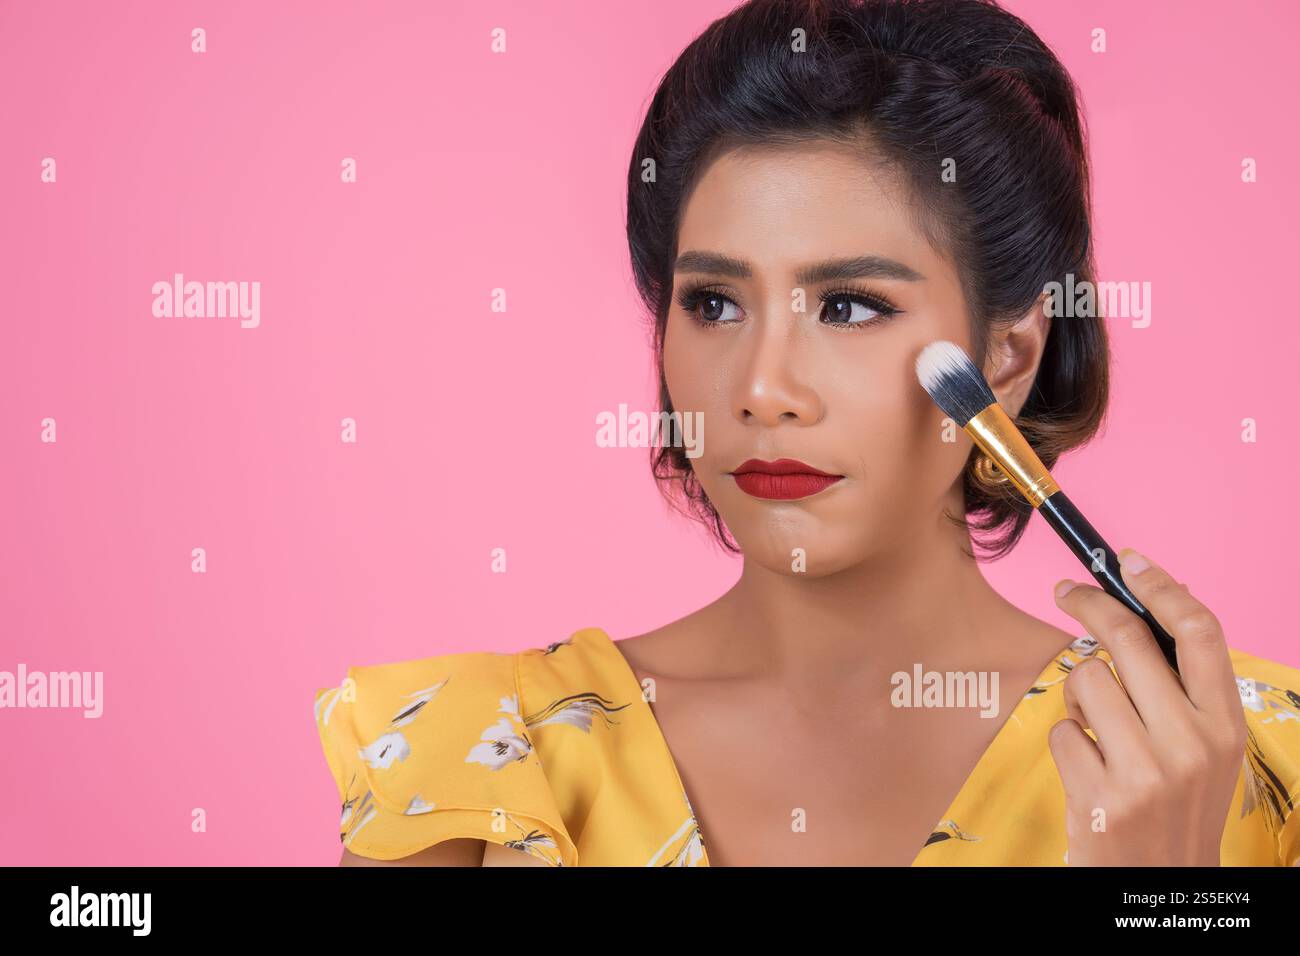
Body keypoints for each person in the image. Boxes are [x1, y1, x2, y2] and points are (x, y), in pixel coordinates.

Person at [313, 0, 1300, 867]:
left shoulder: (1247, 761)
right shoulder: (485, 755)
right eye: (712, 302)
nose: (762, 387)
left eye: (847, 306)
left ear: (1002, 357)